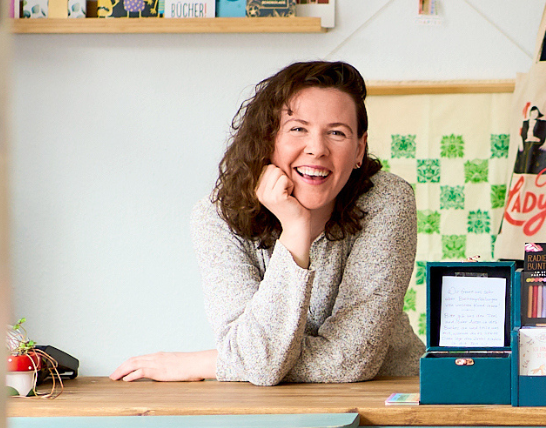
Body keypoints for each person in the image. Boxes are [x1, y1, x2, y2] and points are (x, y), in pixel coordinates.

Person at [114, 60, 424, 385]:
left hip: (390, 404)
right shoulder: (217, 218)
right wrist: (295, 231)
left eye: (336, 133)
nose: (317, 149)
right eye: (298, 129)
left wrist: (210, 363)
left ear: (359, 149)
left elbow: (350, 360)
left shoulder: (387, 200)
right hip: (268, 406)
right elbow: (258, 362)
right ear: (268, 138)